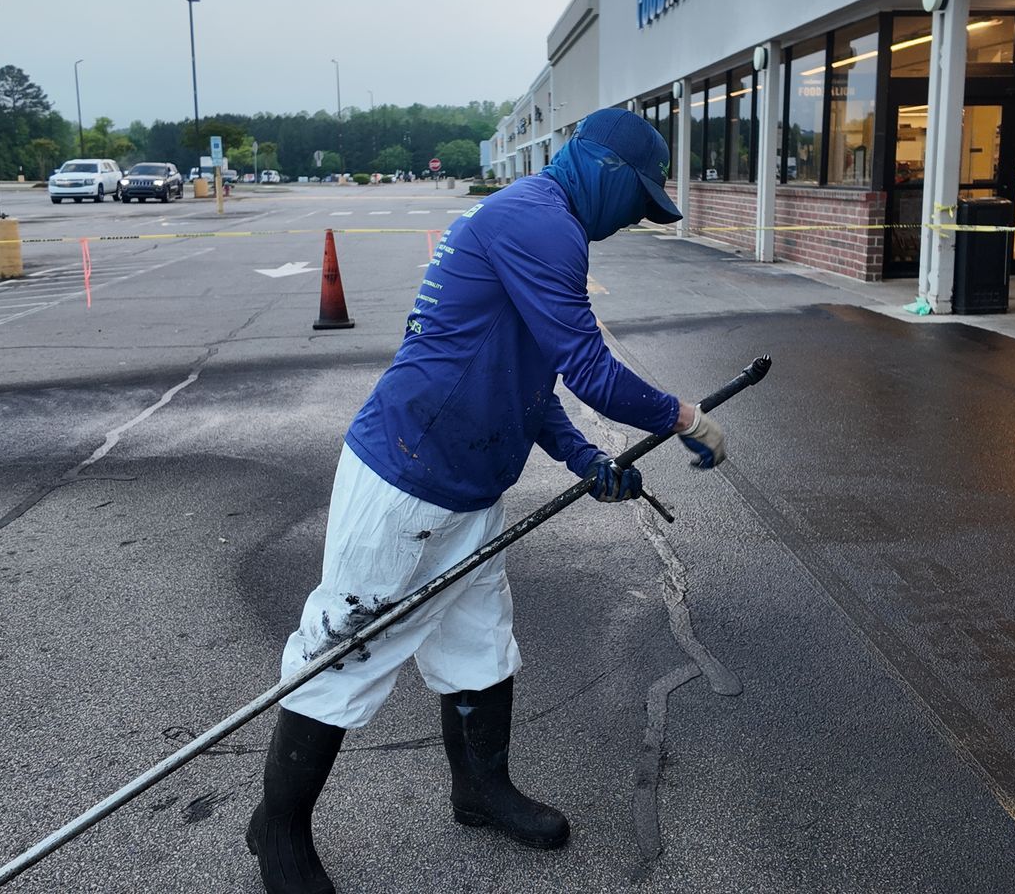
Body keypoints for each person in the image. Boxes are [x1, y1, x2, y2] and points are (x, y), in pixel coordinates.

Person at [246, 108, 727, 894]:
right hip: (406, 478)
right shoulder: (541, 222)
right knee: (343, 653)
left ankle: (479, 791)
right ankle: (279, 830)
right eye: (638, 201)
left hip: (468, 488)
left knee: (479, 648)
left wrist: (586, 459)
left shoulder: (541, 223)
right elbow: (592, 372)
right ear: (604, 170)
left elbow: (530, 384)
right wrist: (685, 418)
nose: (634, 220)